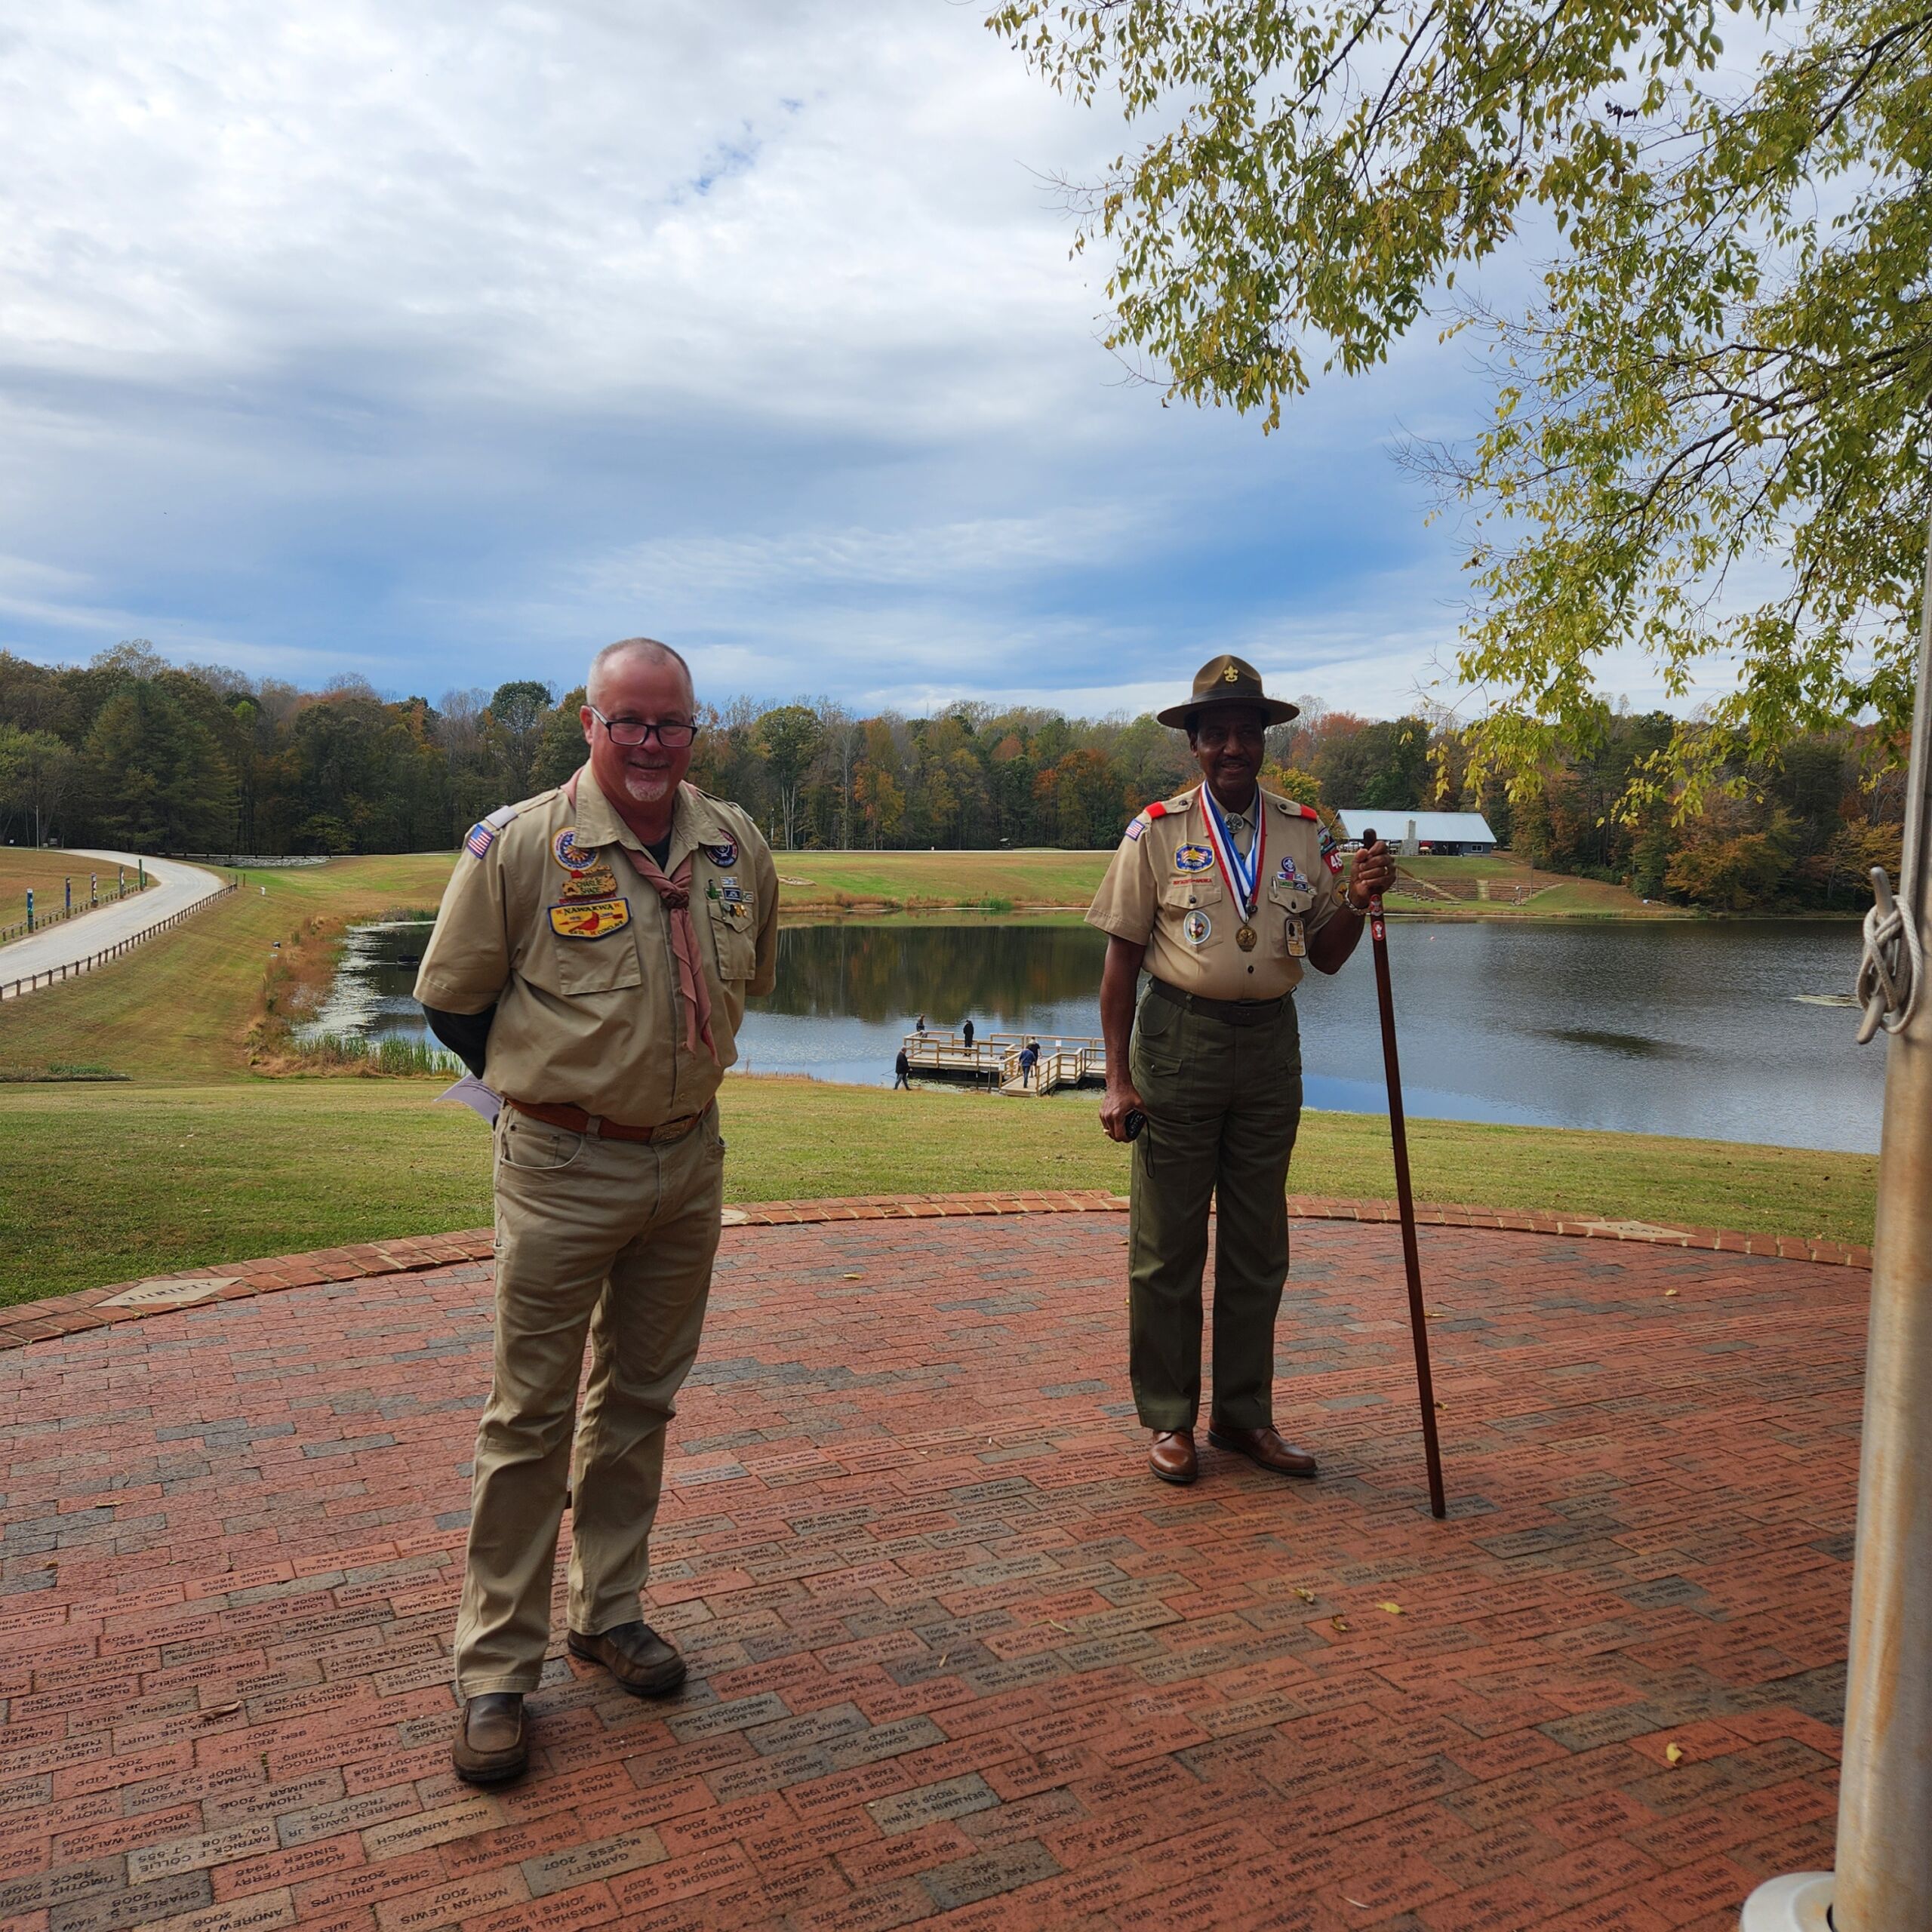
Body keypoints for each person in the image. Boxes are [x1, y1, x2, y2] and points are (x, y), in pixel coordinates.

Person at [414, 635, 777, 1786]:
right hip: (563, 1168)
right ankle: (496, 1672)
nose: (651, 743)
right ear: (590, 723)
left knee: (641, 1400)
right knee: (528, 1416)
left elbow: (750, 972)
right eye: (629, 721)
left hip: (689, 1164)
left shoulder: (732, 844)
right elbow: (453, 1000)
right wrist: (550, 1085)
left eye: (669, 722)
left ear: (693, 728)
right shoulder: (521, 846)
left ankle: (606, 1610)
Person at [1088, 654, 1394, 1487]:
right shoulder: (1155, 830)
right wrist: (1116, 1079)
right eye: (1215, 731)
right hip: (1178, 1043)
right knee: (1167, 1247)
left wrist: (1359, 897)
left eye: (1245, 731)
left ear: (1264, 740)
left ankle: (1243, 1415)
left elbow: (1326, 956)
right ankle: (1169, 1420)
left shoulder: (1303, 831)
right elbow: (1119, 964)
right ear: (1192, 742)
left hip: (1269, 1048)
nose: (1231, 746)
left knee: (1260, 1246)